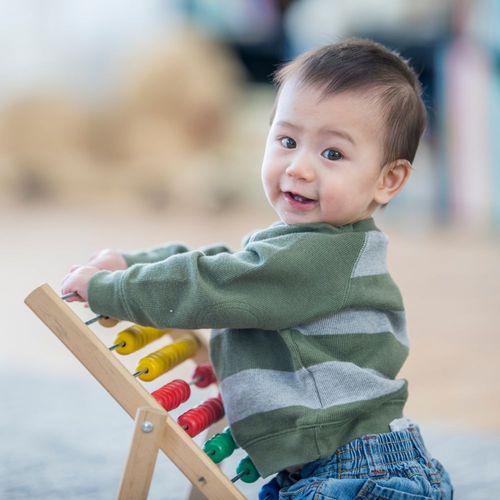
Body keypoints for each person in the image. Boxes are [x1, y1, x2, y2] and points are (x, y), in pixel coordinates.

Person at [62, 39, 453, 499]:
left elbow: (218, 282)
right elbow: (228, 263)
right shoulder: (313, 249)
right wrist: (136, 262)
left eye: (332, 154)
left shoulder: (319, 259)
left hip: (357, 474)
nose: (300, 168)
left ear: (388, 180)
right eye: (287, 141)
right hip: (324, 466)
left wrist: (116, 289)